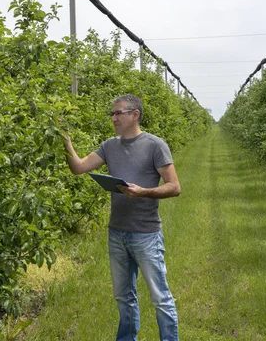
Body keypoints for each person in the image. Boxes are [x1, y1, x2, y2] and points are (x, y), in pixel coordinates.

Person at [63, 94, 181, 341]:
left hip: (146, 234)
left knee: (160, 297)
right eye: (112, 114)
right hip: (117, 233)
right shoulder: (109, 146)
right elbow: (79, 168)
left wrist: (143, 192)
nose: (114, 118)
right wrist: (65, 141)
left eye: (119, 113)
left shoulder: (154, 145)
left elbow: (174, 187)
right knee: (123, 296)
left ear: (135, 114)